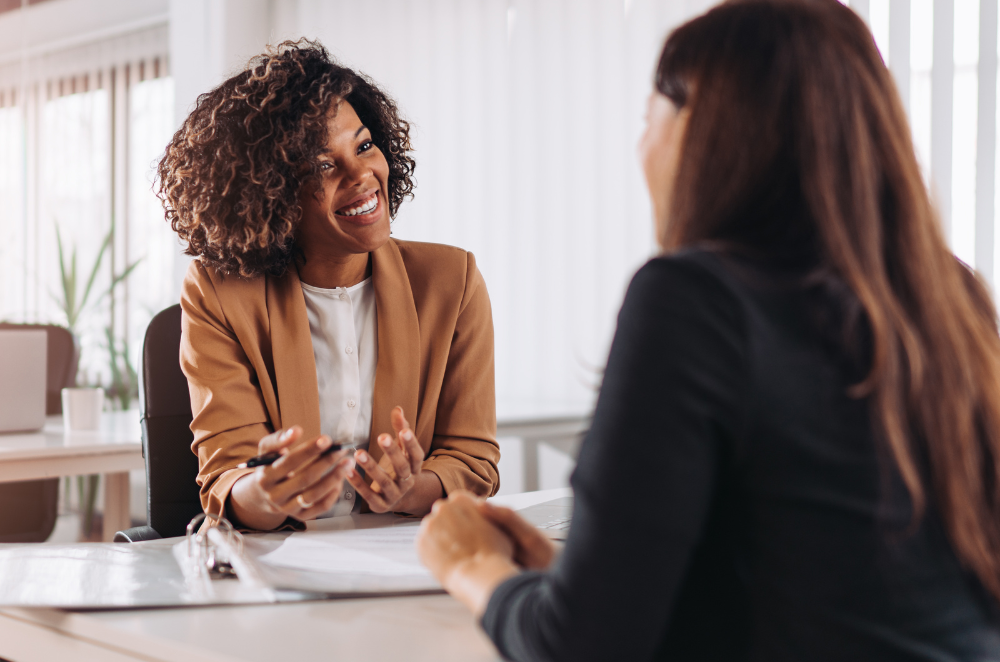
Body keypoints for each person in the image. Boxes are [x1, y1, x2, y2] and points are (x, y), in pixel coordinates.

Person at [416, 1, 1000, 659]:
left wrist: (471, 566)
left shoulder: (693, 299)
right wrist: (572, 579)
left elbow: (579, 650)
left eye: (647, 120)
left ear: (703, 127)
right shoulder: (951, 298)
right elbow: (835, 591)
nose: (641, 147)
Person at [157, 40, 499, 531]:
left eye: (363, 146)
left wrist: (408, 489)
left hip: (405, 563)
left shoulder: (452, 281)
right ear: (270, 193)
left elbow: (473, 460)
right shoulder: (218, 293)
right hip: (277, 568)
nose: (362, 175)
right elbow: (226, 479)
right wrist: (271, 491)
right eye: (322, 165)